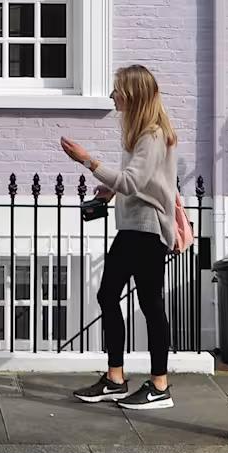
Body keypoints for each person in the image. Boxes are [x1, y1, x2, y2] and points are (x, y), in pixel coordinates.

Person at [59, 64, 178, 411]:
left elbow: (134, 183)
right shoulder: (141, 134)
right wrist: (111, 190)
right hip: (133, 227)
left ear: (133, 94)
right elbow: (136, 180)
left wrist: (88, 161)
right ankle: (116, 378)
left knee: (148, 304)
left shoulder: (153, 135)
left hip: (146, 229)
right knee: (112, 296)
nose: (113, 97)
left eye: (117, 91)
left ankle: (158, 385)